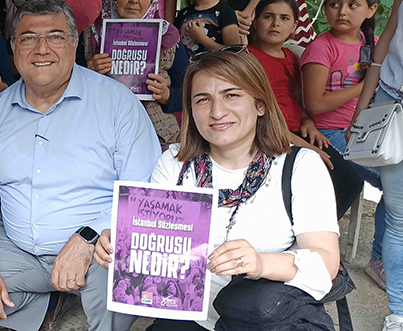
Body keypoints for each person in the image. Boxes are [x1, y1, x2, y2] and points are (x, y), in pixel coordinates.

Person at [0, 0, 160, 331]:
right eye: (28, 38)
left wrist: (89, 236)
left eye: (55, 36)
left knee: (121, 270)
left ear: (75, 43)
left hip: (95, 248)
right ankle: (44, 304)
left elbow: (143, 188)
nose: (41, 49)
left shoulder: (116, 102)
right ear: (13, 46)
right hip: (17, 248)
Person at [96, 48, 340, 330]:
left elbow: (325, 262)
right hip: (189, 317)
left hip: (261, 318)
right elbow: (154, 249)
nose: (217, 111)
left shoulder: (300, 166)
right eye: (203, 99)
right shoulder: (175, 164)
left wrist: (261, 263)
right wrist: (123, 246)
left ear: (260, 104)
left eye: (231, 95)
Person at [301, 0, 384, 286]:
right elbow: (316, 105)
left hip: (369, 131)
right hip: (330, 132)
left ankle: (384, 253)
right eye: (335, 4)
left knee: (398, 178)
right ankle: (380, 259)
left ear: (371, 9)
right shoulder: (322, 48)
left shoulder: (373, 44)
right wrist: (364, 86)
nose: (343, 12)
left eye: (353, 5)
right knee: (393, 181)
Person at [350, 0, 403, 331]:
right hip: (393, 99)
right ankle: (398, 313)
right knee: (400, 221)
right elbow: (389, 31)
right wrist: (364, 101)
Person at [86, 0, 183, 147]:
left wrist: (166, 95)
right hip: (103, 135)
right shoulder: (92, 34)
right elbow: (70, 87)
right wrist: (88, 74)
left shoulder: (168, 36)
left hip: (157, 138)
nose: (134, 0)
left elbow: (191, 93)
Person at [248, 0, 333, 155]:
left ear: (294, 26)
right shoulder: (246, 58)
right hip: (266, 136)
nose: (275, 24)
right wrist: (310, 150)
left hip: (298, 131)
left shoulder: (293, 56)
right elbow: (251, 115)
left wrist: (308, 122)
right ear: (255, 22)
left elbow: (295, 99)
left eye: (284, 18)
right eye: (268, 17)